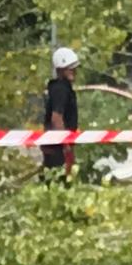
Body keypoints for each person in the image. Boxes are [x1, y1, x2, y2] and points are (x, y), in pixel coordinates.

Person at [44, 48, 80, 177]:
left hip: (57, 145)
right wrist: (66, 145)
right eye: (69, 68)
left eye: (74, 68)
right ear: (61, 70)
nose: (73, 71)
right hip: (57, 148)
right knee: (59, 180)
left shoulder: (63, 88)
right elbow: (56, 118)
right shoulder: (60, 89)